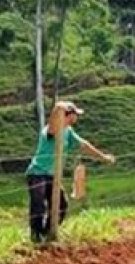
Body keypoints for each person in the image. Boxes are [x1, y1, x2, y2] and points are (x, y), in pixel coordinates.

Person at [25, 101, 115, 244]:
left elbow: (84, 145)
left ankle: (48, 233)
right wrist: (59, 107)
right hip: (37, 173)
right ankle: (36, 235)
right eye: (75, 114)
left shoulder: (68, 131)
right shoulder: (51, 129)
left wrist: (103, 157)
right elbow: (54, 121)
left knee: (61, 204)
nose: (77, 117)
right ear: (68, 115)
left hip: (52, 175)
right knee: (38, 203)